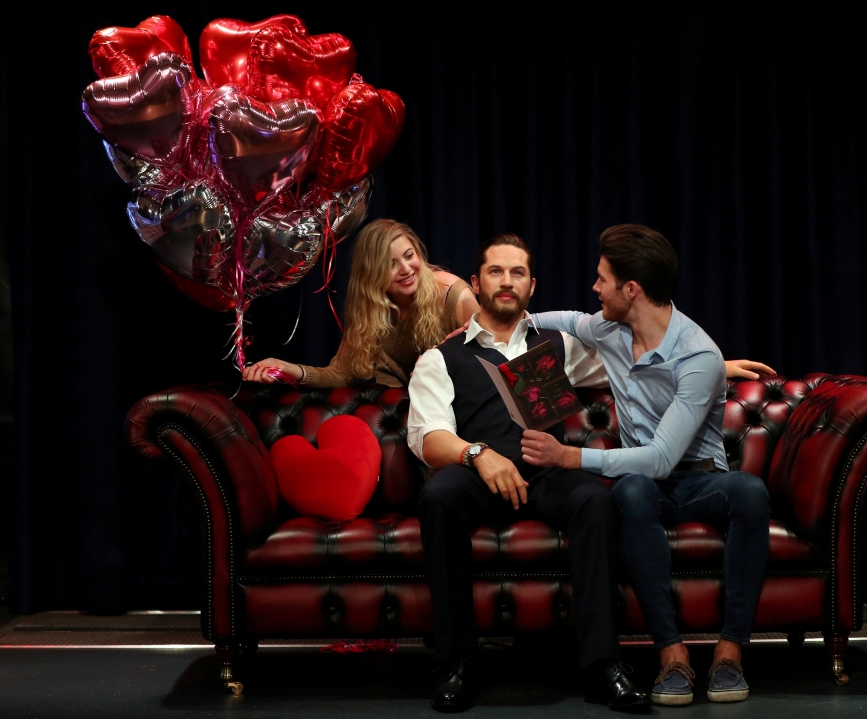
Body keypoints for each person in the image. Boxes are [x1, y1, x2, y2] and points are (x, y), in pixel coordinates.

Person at [521, 224, 772, 706]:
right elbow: (569, 320)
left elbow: (661, 457)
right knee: (631, 491)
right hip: (645, 486)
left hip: (700, 480)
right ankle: (671, 654)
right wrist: (504, 320)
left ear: (630, 289)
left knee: (750, 492)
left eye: (602, 279)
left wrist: (570, 456)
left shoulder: (698, 355)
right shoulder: (611, 330)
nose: (595, 289)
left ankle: (731, 650)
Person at [407, 233, 650, 712]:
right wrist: (478, 454)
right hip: (478, 474)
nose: (506, 281)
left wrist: (711, 367)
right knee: (438, 498)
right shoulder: (442, 356)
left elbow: (633, 369)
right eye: (495, 271)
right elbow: (427, 438)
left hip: (546, 472)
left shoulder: (557, 343)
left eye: (517, 272)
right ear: (475, 284)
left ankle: (602, 665)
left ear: (532, 286)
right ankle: (458, 662)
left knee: (595, 499)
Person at [242, 218, 480, 388]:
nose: (406, 269)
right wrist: (290, 369)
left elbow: (492, 360)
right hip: (415, 415)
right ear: (371, 274)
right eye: (390, 263)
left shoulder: (453, 295)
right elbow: (340, 374)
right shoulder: (371, 310)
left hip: (463, 405)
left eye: (409, 256)